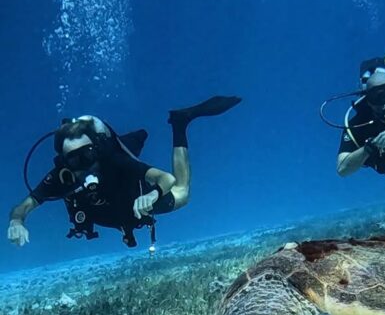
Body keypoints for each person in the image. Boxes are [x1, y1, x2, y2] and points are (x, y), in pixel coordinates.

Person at [7, 95, 240, 249]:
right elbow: (23, 206)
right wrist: (16, 221)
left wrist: (152, 194)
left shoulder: (112, 160)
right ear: (63, 161)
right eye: (74, 159)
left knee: (183, 193)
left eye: (87, 155)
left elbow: (166, 179)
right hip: (111, 214)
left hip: (135, 203)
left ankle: (180, 124)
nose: (83, 164)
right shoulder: (62, 176)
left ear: (96, 150)